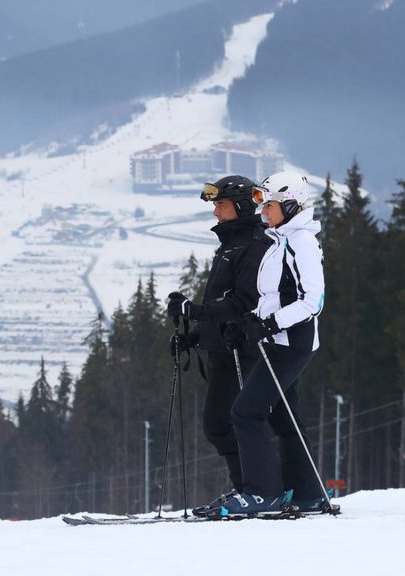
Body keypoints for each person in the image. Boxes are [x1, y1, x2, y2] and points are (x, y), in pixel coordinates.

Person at [216, 171, 330, 517]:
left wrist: (269, 325)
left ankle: (262, 493)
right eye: (262, 204)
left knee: (245, 412)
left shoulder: (301, 242)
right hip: (280, 339)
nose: (263, 211)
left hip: (291, 342)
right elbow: (274, 296)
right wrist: (246, 324)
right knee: (283, 417)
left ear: (290, 206)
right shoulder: (282, 239)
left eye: (270, 205)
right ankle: (307, 493)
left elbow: (313, 301)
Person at [166, 175, 272, 516]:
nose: (215, 212)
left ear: (241, 206)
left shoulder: (254, 245)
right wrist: (195, 336)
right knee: (223, 423)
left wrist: (195, 312)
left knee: (224, 423)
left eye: (221, 205)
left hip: (240, 349)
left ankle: (255, 490)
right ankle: (248, 489)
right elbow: (222, 301)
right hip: (222, 347)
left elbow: (245, 302)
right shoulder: (231, 244)